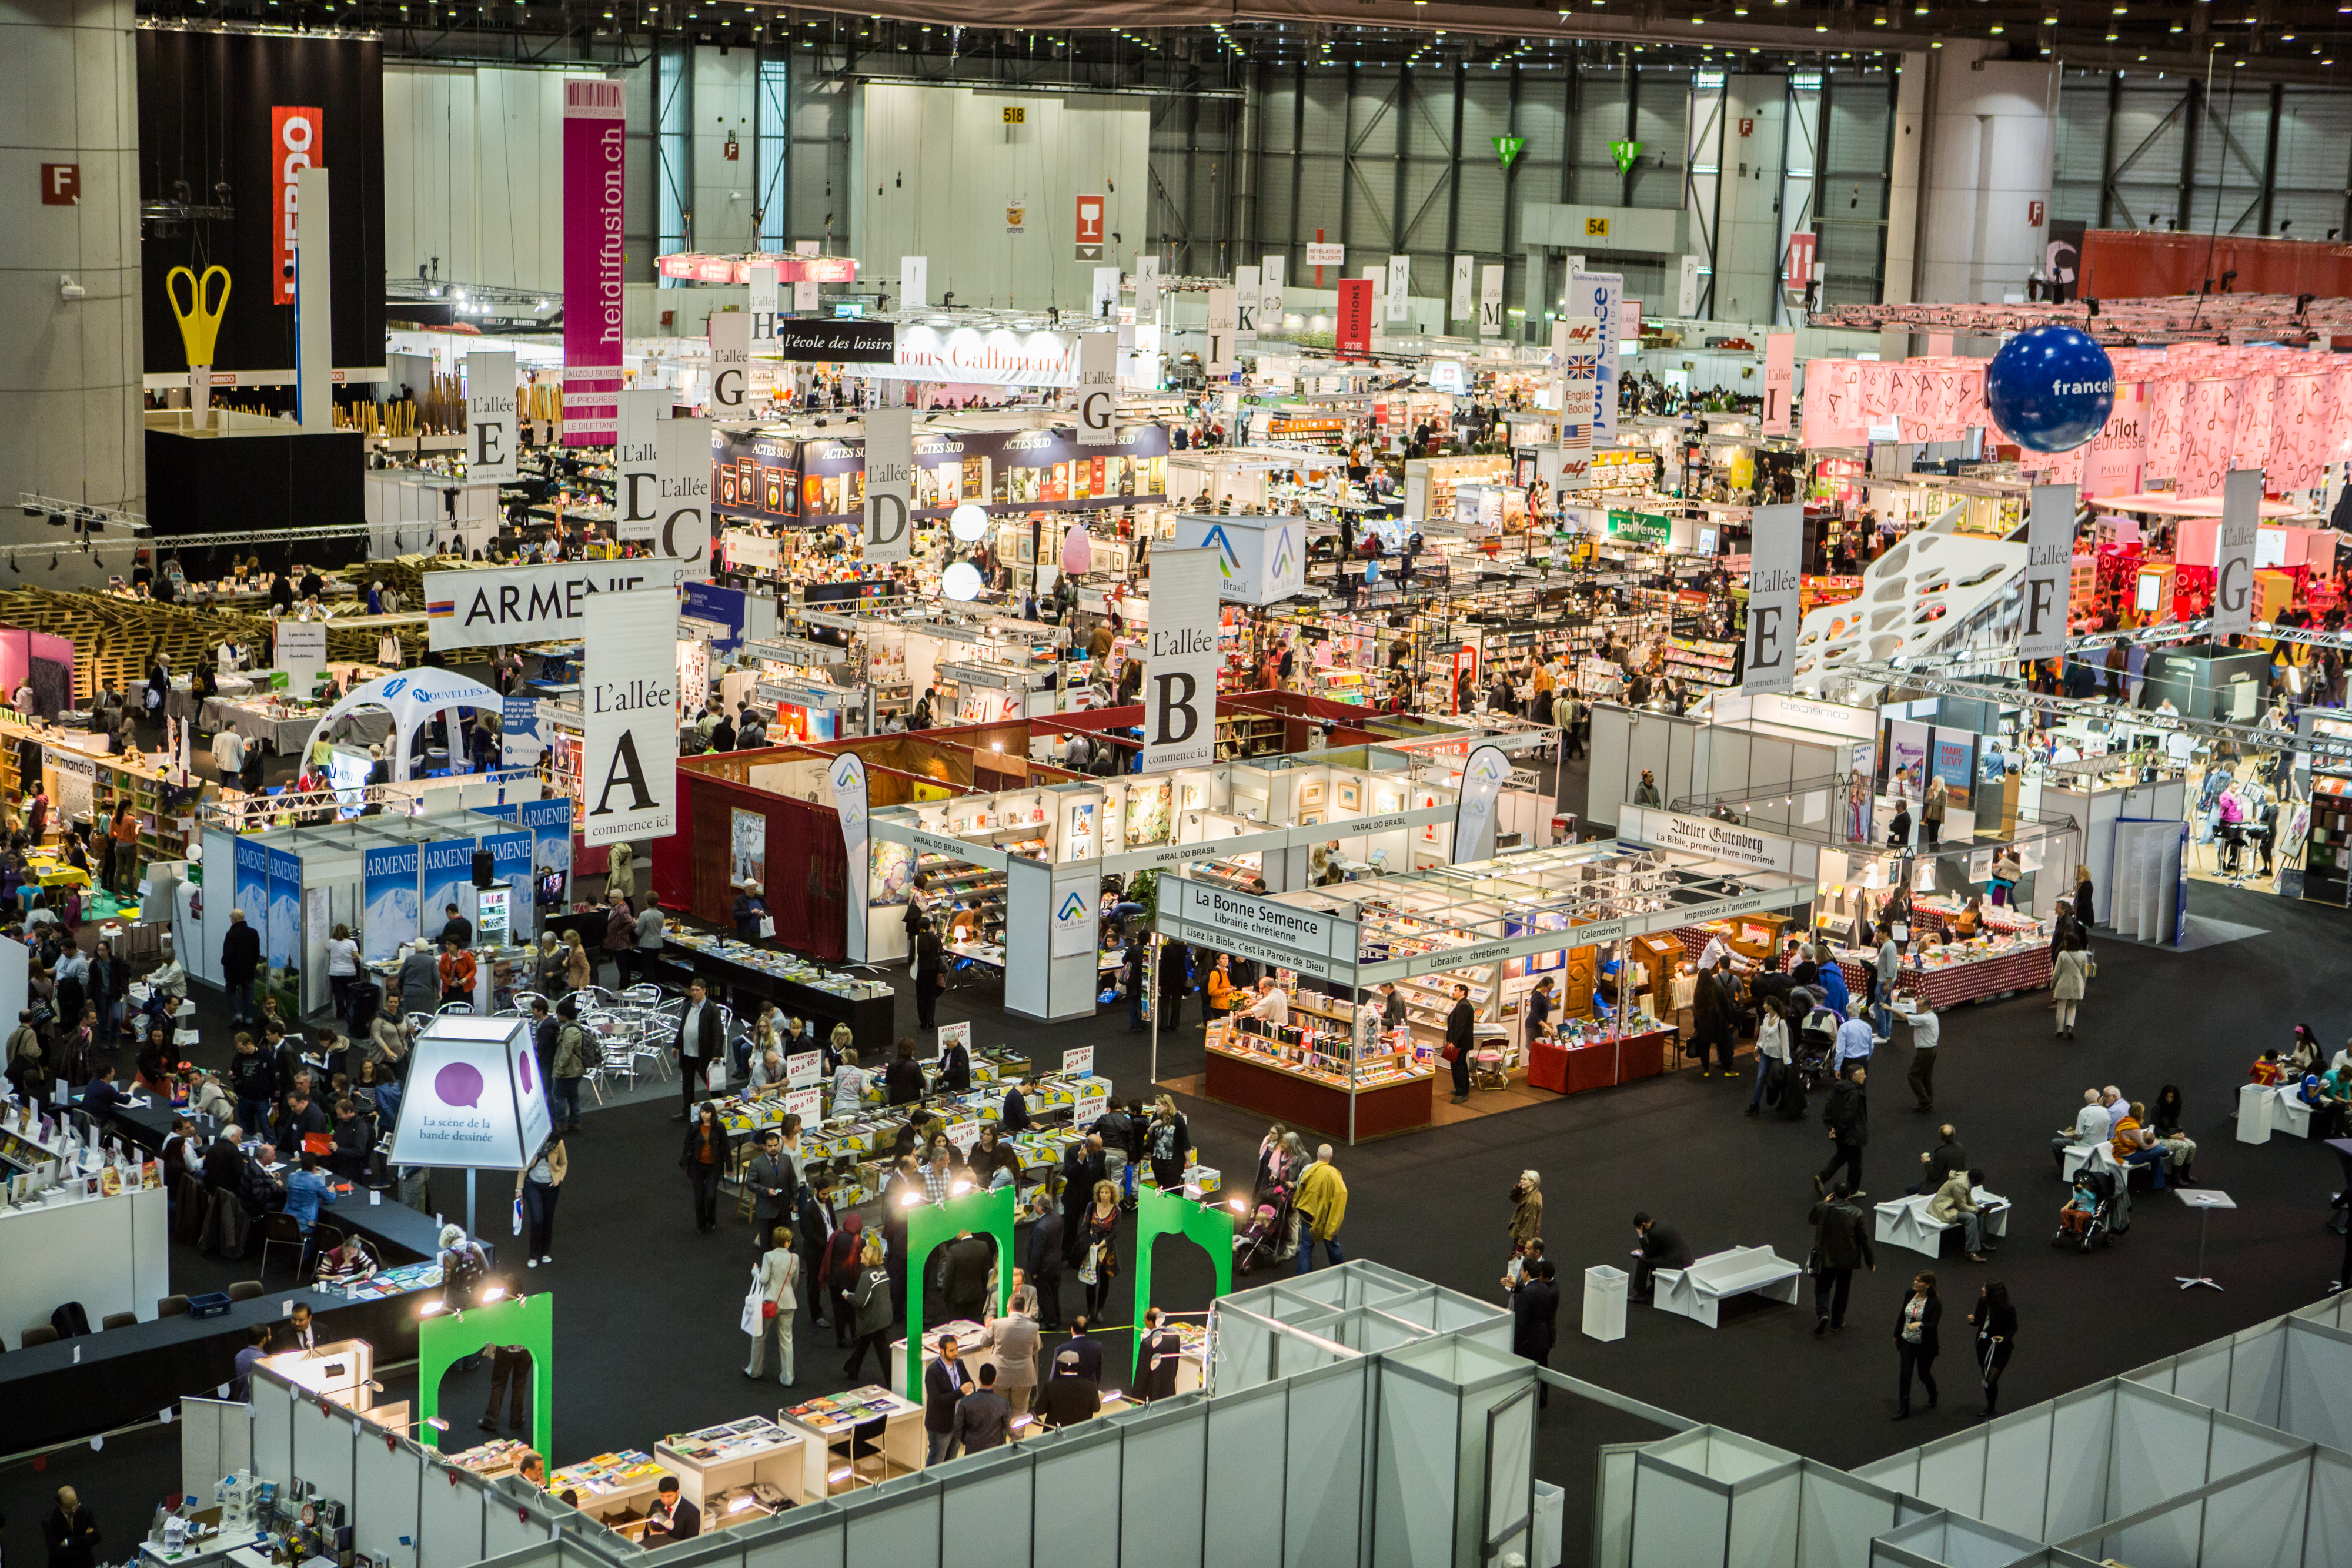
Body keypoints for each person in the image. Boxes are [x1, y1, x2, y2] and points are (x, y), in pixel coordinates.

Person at [1809, 1182, 1876, 1333]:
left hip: (1825, 1257)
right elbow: (1864, 1239)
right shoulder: (1856, 1212)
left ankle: (1823, 1314)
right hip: (1847, 1260)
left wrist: (1824, 1202)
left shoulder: (1822, 1207)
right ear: (1849, 1195)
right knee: (1842, 1290)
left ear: (1833, 1193)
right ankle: (1837, 1322)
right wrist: (1870, 1261)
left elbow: (1812, 1220)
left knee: (1822, 1287)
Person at [745, 1225, 800, 1385]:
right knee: (786, 1340)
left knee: (759, 1336)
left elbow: (763, 1279)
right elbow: (795, 1282)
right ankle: (788, 1378)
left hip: (770, 1303)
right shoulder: (794, 1258)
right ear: (787, 1242)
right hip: (789, 1303)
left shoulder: (768, 1257)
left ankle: (755, 1370)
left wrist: (755, 1272)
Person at [1892, 1271, 1942, 1419]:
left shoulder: (1935, 1303)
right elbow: (1903, 1314)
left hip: (1925, 1345)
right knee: (1905, 1374)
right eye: (1915, 1279)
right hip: (1907, 1341)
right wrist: (1896, 1334)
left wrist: (1919, 1325)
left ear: (1927, 1285)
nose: (1915, 1282)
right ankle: (1904, 1408)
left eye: (1919, 1281)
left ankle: (1933, 1393)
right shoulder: (1909, 1294)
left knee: (1923, 1374)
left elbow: (1933, 1325)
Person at [1512, 1258, 1561, 1405]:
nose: (1521, 1273)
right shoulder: (1545, 1288)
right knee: (1542, 1369)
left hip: (1529, 1342)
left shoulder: (1527, 1294)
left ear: (1526, 1273)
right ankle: (1542, 1400)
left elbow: (1521, 1322)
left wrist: (1516, 1343)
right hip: (1543, 1337)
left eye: (1522, 1271)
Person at [1294, 1145, 1349, 1273]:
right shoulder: (1334, 1174)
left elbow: (1299, 1186)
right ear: (1331, 1157)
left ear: (1317, 1155)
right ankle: (1341, 1272)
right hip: (1325, 1217)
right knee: (1332, 1244)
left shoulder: (1308, 1169)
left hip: (1307, 1213)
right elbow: (1340, 1196)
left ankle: (1302, 1278)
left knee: (1307, 1246)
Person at [1817, 1065, 1870, 1196]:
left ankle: (1822, 1178)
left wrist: (1831, 1128)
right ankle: (1852, 1191)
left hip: (1840, 1133)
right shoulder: (1855, 1093)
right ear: (1854, 1076)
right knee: (1856, 1165)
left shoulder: (1838, 1089)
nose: (1865, 1076)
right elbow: (1849, 1114)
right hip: (1852, 1135)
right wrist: (1840, 1130)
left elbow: (1828, 1109)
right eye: (1862, 1074)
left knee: (1841, 1156)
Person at [924, 1333, 976, 1464]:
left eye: (956, 1349)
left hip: (958, 1422)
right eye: (952, 1350)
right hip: (941, 1426)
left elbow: (969, 1383)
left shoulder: (959, 1364)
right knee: (937, 1461)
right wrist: (960, 1392)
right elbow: (936, 1400)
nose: (955, 1353)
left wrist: (971, 1389)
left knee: (951, 1462)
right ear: (942, 1351)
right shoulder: (933, 1371)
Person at [679, 1101, 731, 1233]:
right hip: (698, 1166)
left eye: (707, 1112)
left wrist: (729, 1166)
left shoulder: (720, 1128)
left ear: (712, 1114)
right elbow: (687, 1144)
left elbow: (726, 1147)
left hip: (713, 1167)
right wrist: (685, 1163)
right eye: (702, 1112)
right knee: (698, 1198)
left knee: (711, 1196)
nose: (704, 1114)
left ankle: (711, 1220)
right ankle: (700, 1225)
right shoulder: (695, 1127)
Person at [1969, 1281, 2017, 1420]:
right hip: (1983, 1346)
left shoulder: (2008, 1309)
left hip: (2000, 1349)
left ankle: (1991, 1407)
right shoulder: (1983, 1302)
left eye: (1985, 1288)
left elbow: (2013, 1327)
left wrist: (2004, 1338)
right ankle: (1990, 1405)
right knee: (1986, 1376)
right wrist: (1973, 1320)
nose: (1982, 1289)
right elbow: (1979, 1321)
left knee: (1991, 1379)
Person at [985, 1296, 1042, 1413]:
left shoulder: (996, 1324)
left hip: (999, 1375)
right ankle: (1018, 1432)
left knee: (998, 1411)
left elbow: (985, 1343)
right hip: (1024, 1377)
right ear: (1024, 1308)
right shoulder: (1034, 1327)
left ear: (1008, 1308)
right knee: (1020, 1413)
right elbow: (1036, 1348)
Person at [676, 978, 723, 1118]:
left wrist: (716, 1053)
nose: (694, 993)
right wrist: (676, 1045)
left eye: (697, 990)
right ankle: (687, 1112)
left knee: (712, 1084)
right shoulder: (689, 1004)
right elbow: (683, 1026)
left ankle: (721, 1107)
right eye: (693, 990)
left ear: (704, 990)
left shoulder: (712, 1008)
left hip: (704, 1054)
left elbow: (718, 1033)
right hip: (687, 1052)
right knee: (687, 1085)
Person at [517, 1131, 566, 1266]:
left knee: (547, 1221)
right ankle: (533, 1255)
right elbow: (524, 1166)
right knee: (537, 1220)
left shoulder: (558, 1143)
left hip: (551, 1187)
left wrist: (559, 1179)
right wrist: (519, 1189)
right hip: (532, 1185)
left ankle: (545, 1253)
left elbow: (564, 1163)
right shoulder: (532, 1142)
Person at [1077, 1178, 1121, 1320]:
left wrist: (1101, 1244)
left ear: (1111, 1195)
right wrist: (1089, 1241)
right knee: (1090, 1280)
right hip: (1091, 1247)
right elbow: (1085, 1224)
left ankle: (1100, 1310)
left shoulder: (1116, 1211)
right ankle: (1090, 1310)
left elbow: (1115, 1233)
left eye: (1107, 1193)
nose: (1104, 1195)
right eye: (1101, 1192)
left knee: (1104, 1280)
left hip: (1107, 1249)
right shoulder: (1091, 1206)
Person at [1926, 1165, 1990, 1262]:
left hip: (1952, 1206)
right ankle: (1970, 1252)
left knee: (1979, 1214)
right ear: (1973, 1180)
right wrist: (1977, 1210)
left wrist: (1979, 1209)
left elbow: (1968, 1198)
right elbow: (1962, 1207)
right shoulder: (1960, 1184)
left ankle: (1979, 1242)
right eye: (1979, 1182)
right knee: (1971, 1218)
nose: (1980, 1184)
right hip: (1942, 1210)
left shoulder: (1967, 1178)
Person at [745, 1128, 796, 1252]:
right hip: (766, 1209)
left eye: (775, 1145)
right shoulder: (756, 1163)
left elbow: (793, 1181)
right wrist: (766, 1190)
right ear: (764, 1146)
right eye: (770, 1146)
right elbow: (750, 1184)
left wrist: (795, 1201)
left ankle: (790, 1265)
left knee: (787, 1241)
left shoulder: (786, 1159)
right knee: (767, 1244)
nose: (773, 1148)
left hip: (784, 1209)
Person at [950, 1363, 1013, 1454]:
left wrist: (966, 1440)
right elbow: (1008, 1427)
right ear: (995, 1379)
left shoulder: (966, 1401)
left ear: (979, 1379)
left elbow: (957, 1428)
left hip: (973, 1450)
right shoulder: (1002, 1403)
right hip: (996, 1451)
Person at [1630, 1212, 1688, 1305]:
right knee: (1653, 1259)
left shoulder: (1653, 1233)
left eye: (1639, 1228)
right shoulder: (1663, 1224)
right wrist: (1645, 1251)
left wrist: (1641, 1237)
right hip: (1684, 1258)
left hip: (1676, 1263)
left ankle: (1640, 1295)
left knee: (1643, 1261)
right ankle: (1653, 1286)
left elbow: (1650, 1254)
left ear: (1643, 1225)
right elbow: (1659, 1247)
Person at [1040, 1346, 1102, 1428]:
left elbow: (1039, 1410)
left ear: (1060, 1367)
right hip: (1082, 1434)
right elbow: (1096, 1408)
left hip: (1055, 1436)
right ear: (1078, 1367)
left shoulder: (1049, 1387)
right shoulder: (1091, 1386)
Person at [221, 908, 261, 1026]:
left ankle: (237, 1014)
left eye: (231, 917)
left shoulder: (231, 934)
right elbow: (256, 953)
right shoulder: (253, 933)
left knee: (230, 992)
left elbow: (228, 954)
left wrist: (224, 961)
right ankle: (249, 1019)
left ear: (234, 919)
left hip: (233, 972)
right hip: (249, 971)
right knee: (249, 994)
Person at [44, 1485, 101, 1568]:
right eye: (70, 1508)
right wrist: (84, 1541)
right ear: (60, 1506)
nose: (74, 1510)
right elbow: (56, 1551)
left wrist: (68, 1542)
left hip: (86, 1565)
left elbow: (96, 1537)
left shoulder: (85, 1512)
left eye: (76, 1505)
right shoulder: (50, 1521)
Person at [1135, 1305, 1182, 1401]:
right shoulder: (1175, 1338)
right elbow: (1175, 1363)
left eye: (1145, 1320)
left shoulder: (1147, 1344)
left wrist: (1136, 1395)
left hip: (1153, 1392)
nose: (1144, 1322)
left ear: (1151, 1323)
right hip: (1169, 1389)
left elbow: (1142, 1372)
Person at [2052, 938, 2089, 1041]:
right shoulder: (2082, 955)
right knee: (2072, 1007)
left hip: (2063, 985)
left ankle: (2060, 1030)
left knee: (2061, 1007)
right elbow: (2084, 974)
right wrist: (2083, 987)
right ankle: (2070, 1028)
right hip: (2076, 985)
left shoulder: (2062, 955)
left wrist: (2053, 985)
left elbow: (2056, 973)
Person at [1445, 982, 1476, 1104]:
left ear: (1462, 992)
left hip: (1460, 1043)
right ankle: (1462, 1089)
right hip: (1462, 1042)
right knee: (1461, 1065)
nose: (1453, 992)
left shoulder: (1463, 1006)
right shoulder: (1463, 1004)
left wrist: (1454, 1042)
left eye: (1456, 990)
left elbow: (1460, 1026)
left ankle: (1462, 1092)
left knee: (1458, 1067)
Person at [325, 923, 360, 1022]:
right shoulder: (351, 943)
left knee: (338, 994)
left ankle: (340, 1014)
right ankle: (349, 1013)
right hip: (349, 972)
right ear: (347, 932)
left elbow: (328, 951)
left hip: (335, 972)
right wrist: (355, 962)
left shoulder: (331, 942)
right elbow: (357, 956)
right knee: (349, 994)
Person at [1508, 1170, 1543, 1268]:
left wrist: (1520, 1247)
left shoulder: (1532, 1201)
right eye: (1521, 1179)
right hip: (1525, 1240)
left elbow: (1528, 1225)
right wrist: (1517, 1188)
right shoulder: (1530, 1194)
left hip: (1523, 1241)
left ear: (1533, 1182)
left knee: (1517, 1269)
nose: (1521, 1181)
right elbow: (1514, 1198)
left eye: (1524, 1179)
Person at [646, 1477, 699, 1542]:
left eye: (669, 1496)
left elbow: (690, 1543)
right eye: (662, 1496)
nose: (666, 1500)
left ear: (677, 1492)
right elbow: (647, 1532)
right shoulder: (656, 1505)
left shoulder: (692, 1512)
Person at [231, 1323, 273, 1400]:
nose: (271, 1338)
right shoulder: (265, 1360)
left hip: (242, 1400)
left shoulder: (239, 1355)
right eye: (269, 1336)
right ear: (264, 1340)